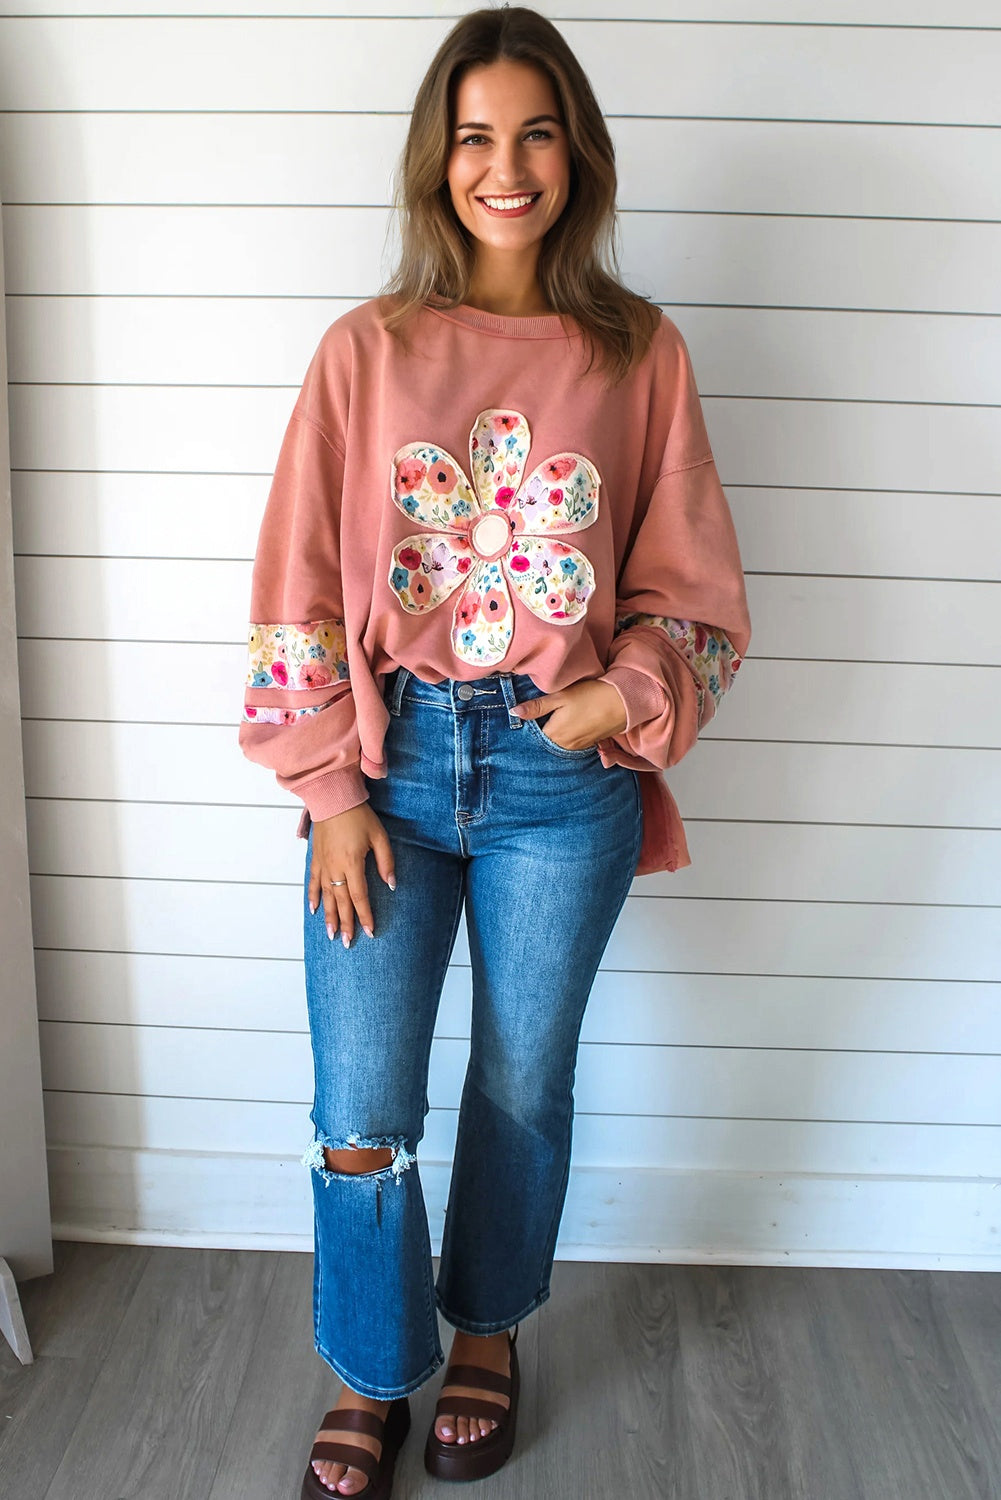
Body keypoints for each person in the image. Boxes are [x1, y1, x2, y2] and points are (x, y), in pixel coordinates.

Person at [239, 6, 751, 1496]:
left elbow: (696, 590)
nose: (505, 166)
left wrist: (622, 694)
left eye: (535, 133)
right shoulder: (366, 350)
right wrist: (331, 788)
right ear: (436, 158)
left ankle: (487, 1334)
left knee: (523, 1085)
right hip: (388, 771)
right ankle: (368, 1368)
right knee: (360, 1112)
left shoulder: (637, 352)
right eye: (474, 136)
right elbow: (295, 583)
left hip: (557, 781)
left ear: (576, 154)